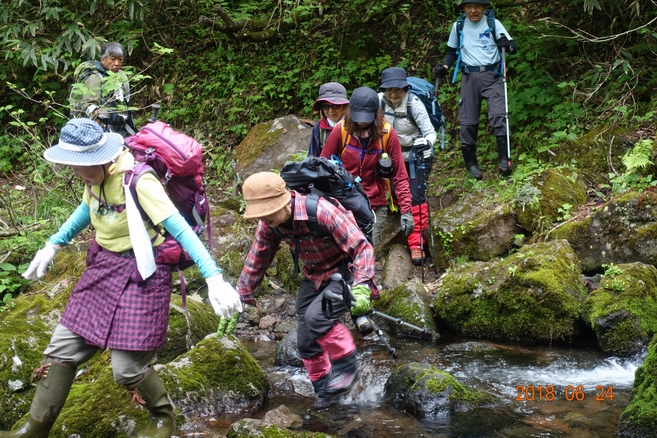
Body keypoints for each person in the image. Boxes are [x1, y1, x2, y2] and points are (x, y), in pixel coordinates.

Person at [5, 118, 242, 438]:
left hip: (144, 274)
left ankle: (163, 417)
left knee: (127, 369)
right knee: (61, 350)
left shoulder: (140, 182)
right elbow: (85, 210)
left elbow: (181, 231)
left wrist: (214, 278)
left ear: (104, 159)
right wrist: (52, 244)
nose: (75, 171)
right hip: (103, 267)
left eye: (80, 165)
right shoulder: (94, 179)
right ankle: (34, 427)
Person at [236, 172, 377, 401]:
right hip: (315, 276)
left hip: (346, 272)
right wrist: (241, 295)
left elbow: (362, 248)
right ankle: (325, 389)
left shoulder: (321, 211)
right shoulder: (270, 224)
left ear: (283, 201)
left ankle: (347, 368)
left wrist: (361, 288)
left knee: (317, 318)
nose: (263, 219)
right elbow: (257, 258)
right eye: (259, 214)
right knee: (305, 337)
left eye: (267, 212)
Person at [320, 87, 415, 251]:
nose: (362, 122)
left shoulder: (387, 134)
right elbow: (322, 168)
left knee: (367, 252)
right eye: (358, 117)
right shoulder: (341, 131)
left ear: (376, 113)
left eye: (366, 117)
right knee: (344, 253)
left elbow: (399, 175)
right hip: (343, 203)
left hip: (375, 205)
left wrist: (406, 211)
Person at [435, 0, 518, 179]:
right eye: (468, 7)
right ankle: (471, 165)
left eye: (477, 7)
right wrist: (445, 68)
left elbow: (512, 48)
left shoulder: (493, 24)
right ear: (464, 9)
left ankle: (504, 161)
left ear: (484, 8)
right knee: (468, 121)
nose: (473, 11)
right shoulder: (458, 26)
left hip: (493, 77)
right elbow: (451, 51)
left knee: (498, 115)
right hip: (469, 78)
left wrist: (507, 44)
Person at [378, 67, 437, 265]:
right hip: (391, 155)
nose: (393, 94)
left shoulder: (415, 104)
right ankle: (404, 220)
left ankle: (416, 244)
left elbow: (430, 132)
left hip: (415, 156)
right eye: (389, 90)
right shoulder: (378, 101)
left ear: (405, 88)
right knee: (397, 194)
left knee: (415, 198)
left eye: (398, 90)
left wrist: (426, 143)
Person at [76, 41, 136, 136]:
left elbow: (126, 102)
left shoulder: (122, 77)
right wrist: (97, 112)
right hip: (101, 131)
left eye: (120, 59)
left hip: (120, 130)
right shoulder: (96, 77)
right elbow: (87, 105)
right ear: (103, 59)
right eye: (112, 59)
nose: (117, 63)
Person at [308, 82, 350, 157]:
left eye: (335, 106)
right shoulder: (318, 128)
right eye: (326, 107)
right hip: (325, 168)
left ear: (345, 106)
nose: (331, 111)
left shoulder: (353, 125)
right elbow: (313, 157)